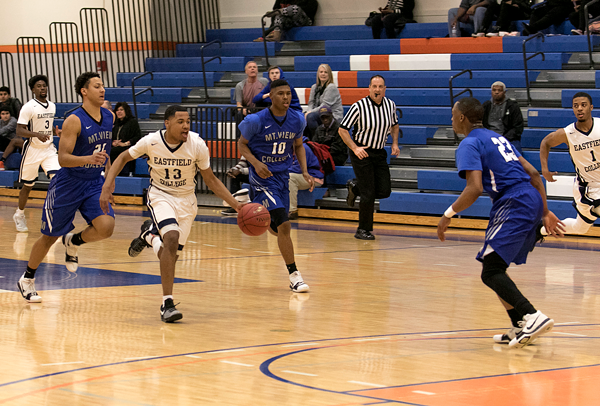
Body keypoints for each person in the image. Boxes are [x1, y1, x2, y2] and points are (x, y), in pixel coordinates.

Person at [100, 105, 243, 323]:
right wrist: (106, 187)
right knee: (172, 238)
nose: (186, 126)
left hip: (187, 200)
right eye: (180, 122)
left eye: (188, 122)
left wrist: (236, 205)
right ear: (167, 123)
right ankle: (167, 303)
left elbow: (211, 180)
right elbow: (121, 159)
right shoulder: (151, 141)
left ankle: (149, 236)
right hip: (160, 195)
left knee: (170, 255)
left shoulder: (197, 144)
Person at [437, 97, 560, 349]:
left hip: (513, 201)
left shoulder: (469, 143)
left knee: (491, 270)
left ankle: (532, 315)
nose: (451, 119)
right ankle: (519, 324)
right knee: (495, 268)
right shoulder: (499, 138)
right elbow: (534, 174)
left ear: (462, 117)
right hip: (529, 198)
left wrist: (447, 214)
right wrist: (544, 211)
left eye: (453, 114)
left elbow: (474, 188)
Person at [16, 72, 115, 303]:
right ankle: (27, 278)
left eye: (103, 86)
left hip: (94, 183)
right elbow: (63, 159)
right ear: (84, 91)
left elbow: (106, 153)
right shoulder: (74, 120)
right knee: (49, 237)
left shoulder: (109, 116)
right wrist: (89, 158)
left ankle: (74, 241)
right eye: (97, 86)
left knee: (106, 227)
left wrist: (108, 184)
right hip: (68, 183)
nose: (102, 90)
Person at [238, 78, 313, 293]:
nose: (286, 97)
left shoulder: (297, 120)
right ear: (271, 96)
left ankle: (251, 201)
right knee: (285, 225)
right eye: (281, 94)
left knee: (276, 228)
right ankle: (295, 276)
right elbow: (241, 144)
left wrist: (305, 171)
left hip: (283, 177)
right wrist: (255, 163)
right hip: (262, 179)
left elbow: (298, 146)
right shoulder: (256, 120)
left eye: (288, 93)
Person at [338, 75, 400, 240]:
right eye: (374, 86)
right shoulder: (359, 106)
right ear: (369, 88)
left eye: (380, 87)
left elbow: (394, 125)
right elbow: (342, 129)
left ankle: (355, 187)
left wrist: (395, 143)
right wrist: (354, 148)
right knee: (369, 193)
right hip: (362, 152)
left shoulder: (390, 105)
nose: (377, 90)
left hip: (379, 152)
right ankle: (363, 230)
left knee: (385, 190)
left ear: (385, 89)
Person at [539, 92, 600, 236]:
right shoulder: (567, 133)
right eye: (576, 106)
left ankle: (539, 231)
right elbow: (545, 142)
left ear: (591, 107)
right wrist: (545, 169)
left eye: (583, 105)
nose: (579, 108)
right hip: (588, 187)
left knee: (580, 228)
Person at [13, 75, 61, 233]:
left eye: (44, 85)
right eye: (39, 86)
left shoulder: (52, 106)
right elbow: (19, 130)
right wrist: (36, 134)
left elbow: (48, 126)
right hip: (32, 150)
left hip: (48, 149)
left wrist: (56, 132)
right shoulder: (28, 107)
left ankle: (54, 215)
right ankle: (19, 214)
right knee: (28, 186)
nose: (43, 88)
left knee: (58, 179)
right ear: (33, 90)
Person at [482, 81, 524, 153]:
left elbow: (518, 128)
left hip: (508, 138)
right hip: (489, 137)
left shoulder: (513, 106)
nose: (496, 92)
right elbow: (481, 124)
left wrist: (503, 138)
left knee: (516, 152)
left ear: (504, 92)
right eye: (494, 90)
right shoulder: (486, 106)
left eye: (499, 90)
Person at [289, 136, 324, 220]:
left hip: (314, 177)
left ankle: (292, 211)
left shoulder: (304, 148)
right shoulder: (288, 149)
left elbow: (298, 169)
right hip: (300, 176)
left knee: (290, 178)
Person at [305, 64, 343, 138]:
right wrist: (307, 112)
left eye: (325, 72)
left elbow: (324, 107)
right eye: (321, 72)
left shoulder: (331, 87)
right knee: (302, 116)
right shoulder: (314, 87)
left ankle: (318, 140)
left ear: (329, 75)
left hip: (332, 115)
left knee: (310, 117)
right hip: (318, 114)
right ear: (318, 74)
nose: (323, 74)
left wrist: (309, 113)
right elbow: (311, 103)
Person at [254, 0, 319, 42]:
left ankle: (281, 11)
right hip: (287, 22)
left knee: (295, 8)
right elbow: (274, 15)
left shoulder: (310, 1)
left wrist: (287, 10)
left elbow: (310, 8)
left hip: (303, 21)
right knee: (278, 15)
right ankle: (274, 35)